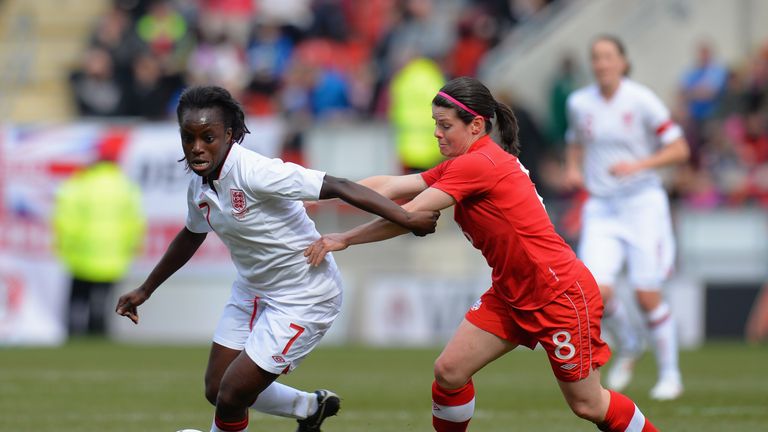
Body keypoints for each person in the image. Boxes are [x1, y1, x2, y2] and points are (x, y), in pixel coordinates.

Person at [305, 76, 660, 432]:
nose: (436, 134)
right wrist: (315, 192)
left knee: (588, 404)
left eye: (445, 126)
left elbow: (409, 215)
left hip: (557, 294)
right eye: (435, 125)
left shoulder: (478, 165)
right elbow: (390, 185)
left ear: (476, 125)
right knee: (450, 371)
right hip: (511, 292)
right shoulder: (464, 161)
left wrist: (346, 239)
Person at [115, 85, 438, 432]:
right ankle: (310, 408)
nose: (197, 147)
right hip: (252, 290)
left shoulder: (256, 172)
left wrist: (406, 219)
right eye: (188, 137)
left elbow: (340, 185)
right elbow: (191, 234)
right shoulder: (200, 184)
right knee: (217, 389)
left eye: (207, 137)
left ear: (228, 135)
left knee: (232, 393)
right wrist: (147, 289)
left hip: (304, 294)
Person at [564, 35, 690, 400]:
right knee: (595, 293)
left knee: (646, 294)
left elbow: (679, 149)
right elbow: (575, 140)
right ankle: (630, 342)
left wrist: (639, 164)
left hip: (642, 204)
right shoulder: (579, 102)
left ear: (622, 61)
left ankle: (670, 374)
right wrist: (573, 167)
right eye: (596, 57)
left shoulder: (642, 100)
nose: (601, 63)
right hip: (601, 207)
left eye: (607, 56)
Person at [53, 142, 145, 336]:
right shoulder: (125, 186)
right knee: (102, 302)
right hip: (112, 257)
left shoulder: (78, 184)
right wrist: (129, 247)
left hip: (81, 255)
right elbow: (134, 223)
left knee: (77, 301)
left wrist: (65, 247)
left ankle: (72, 337)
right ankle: (99, 337)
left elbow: (64, 221)